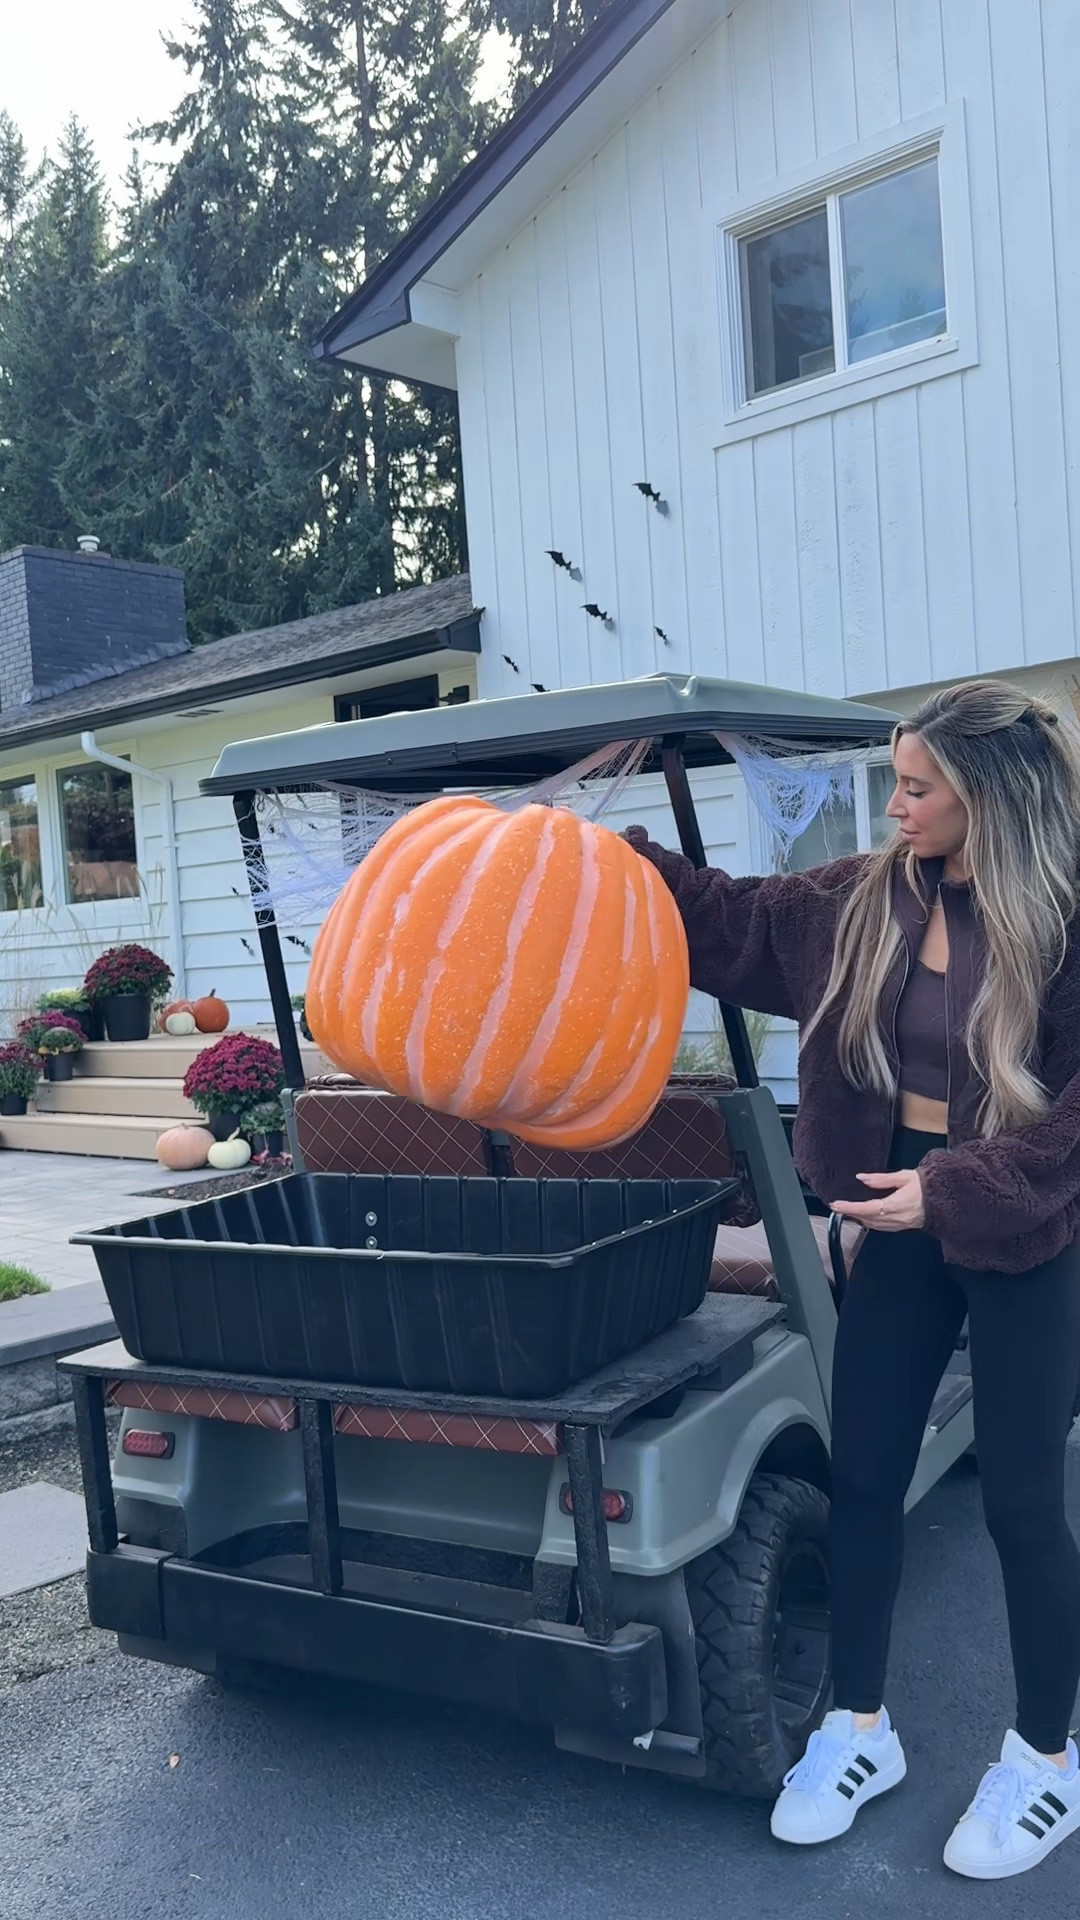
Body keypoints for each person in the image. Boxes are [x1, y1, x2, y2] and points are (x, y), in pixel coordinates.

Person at [626, 680, 1080, 1881]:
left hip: (1030, 1216)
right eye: (897, 778)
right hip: (899, 1206)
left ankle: (1044, 1760)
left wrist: (959, 1192)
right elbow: (729, 922)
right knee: (867, 1471)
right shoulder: (865, 899)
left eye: (919, 786)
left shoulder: (1072, 923)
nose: (896, 804)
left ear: (990, 797)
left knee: (1025, 1503)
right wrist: (612, 866)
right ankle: (860, 1729)